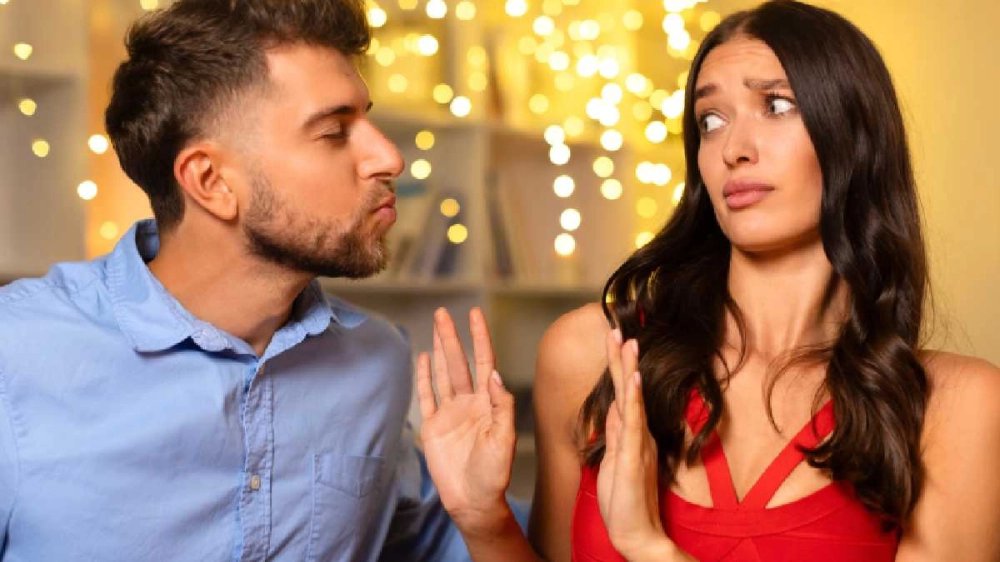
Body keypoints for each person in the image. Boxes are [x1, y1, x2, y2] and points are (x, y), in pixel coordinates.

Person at [417, 1, 1000, 561]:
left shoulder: (953, 408)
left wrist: (650, 547)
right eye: (711, 121)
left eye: (777, 105)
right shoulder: (593, 356)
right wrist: (484, 521)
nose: (733, 150)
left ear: (856, 135)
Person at [0, 0, 506, 559]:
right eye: (334, 131)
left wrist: (485, 517)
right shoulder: (16, 355)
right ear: (211, 181)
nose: (388, 157)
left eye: (367, 120)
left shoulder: (377, 361)